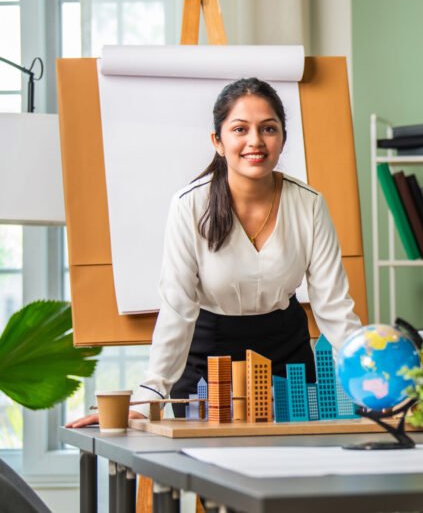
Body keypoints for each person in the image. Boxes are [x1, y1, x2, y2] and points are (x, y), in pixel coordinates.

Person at [68, 77, 362, 426]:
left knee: (295, 464)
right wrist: (150, 395)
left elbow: (334, 307)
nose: (255, 141)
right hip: (207, 354)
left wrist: (376, 381)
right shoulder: (189, 205)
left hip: (287, 351)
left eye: (268, 128)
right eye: (240, 129)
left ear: (283, 139)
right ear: (218, 142)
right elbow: (177, 307)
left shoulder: (309, 205)